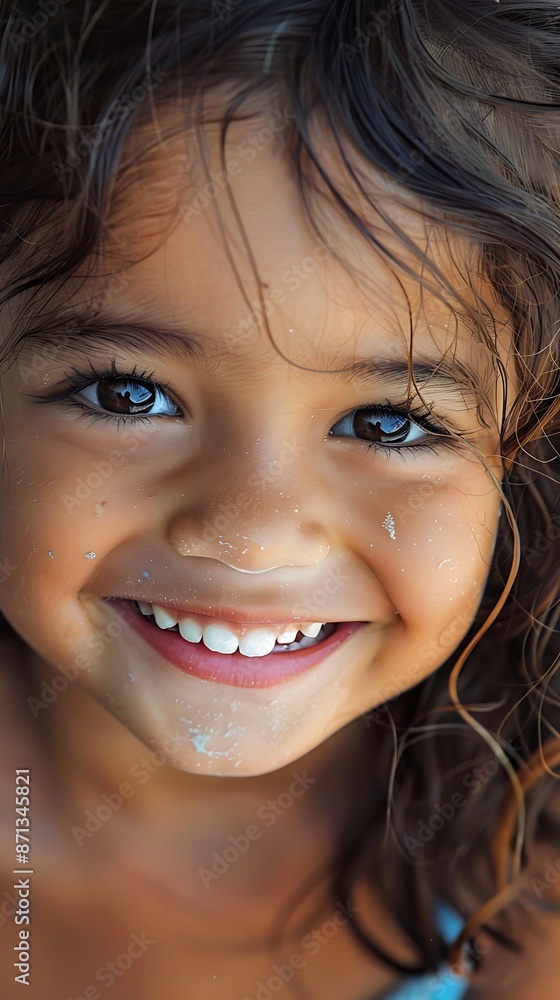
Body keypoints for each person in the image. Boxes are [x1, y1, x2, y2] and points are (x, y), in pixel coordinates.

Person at [0, 1, 558, 997]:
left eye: (387, 424)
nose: (251, 537)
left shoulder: (527, 877)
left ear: (523, 457)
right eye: (129, 394)